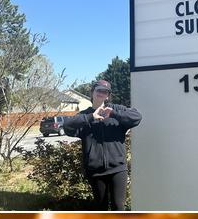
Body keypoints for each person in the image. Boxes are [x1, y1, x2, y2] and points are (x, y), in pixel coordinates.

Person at [61, 79, 142, 211]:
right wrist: (91, 117)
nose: (102, 93)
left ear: (108, 95)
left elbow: (137, 117)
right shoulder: (85, 116)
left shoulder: (117, 110)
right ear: (92, 92)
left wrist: (114, 114)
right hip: (95, 171)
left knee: (118, 207)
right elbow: (67, 126)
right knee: (100, 207)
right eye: (99, 90)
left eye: (105, 91)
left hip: (118, 169)